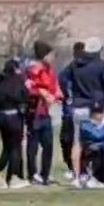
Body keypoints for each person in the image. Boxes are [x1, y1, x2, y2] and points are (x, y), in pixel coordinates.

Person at [63, 37, 104, 187]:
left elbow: (61, 79)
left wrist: (68, 96)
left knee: (77, 143)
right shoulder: (101, 66)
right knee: (99, 141)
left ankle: (77, 177)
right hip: (95, 109)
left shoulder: (74, 65)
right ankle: (95, 176)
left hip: (77, 108)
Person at [0, 59, 29, 189]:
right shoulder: (17, 82)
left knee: (6, 148)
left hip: (1, 118)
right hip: (14, 117)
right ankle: (14, 178)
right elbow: (25, 97)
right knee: (15, 148)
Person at [25, 41, 62, 185]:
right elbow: (30, 87)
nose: (53, 57)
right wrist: (42, 93)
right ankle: (32, 174)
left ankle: (45, 175)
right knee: (33, 145)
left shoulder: (49, 70)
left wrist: (58, 96)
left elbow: (54, 87)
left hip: (46, 112)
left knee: (48, 145)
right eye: (50, 54)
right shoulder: (33, 69)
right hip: (34, 112)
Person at [56, 41, 83, 180]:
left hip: (82, 111)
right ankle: (72, 168)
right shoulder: (67, 72)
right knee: (66, 140)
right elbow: (60, 86)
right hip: (68, 112)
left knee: (81, 141)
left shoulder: (87, 71)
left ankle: (82, 170)